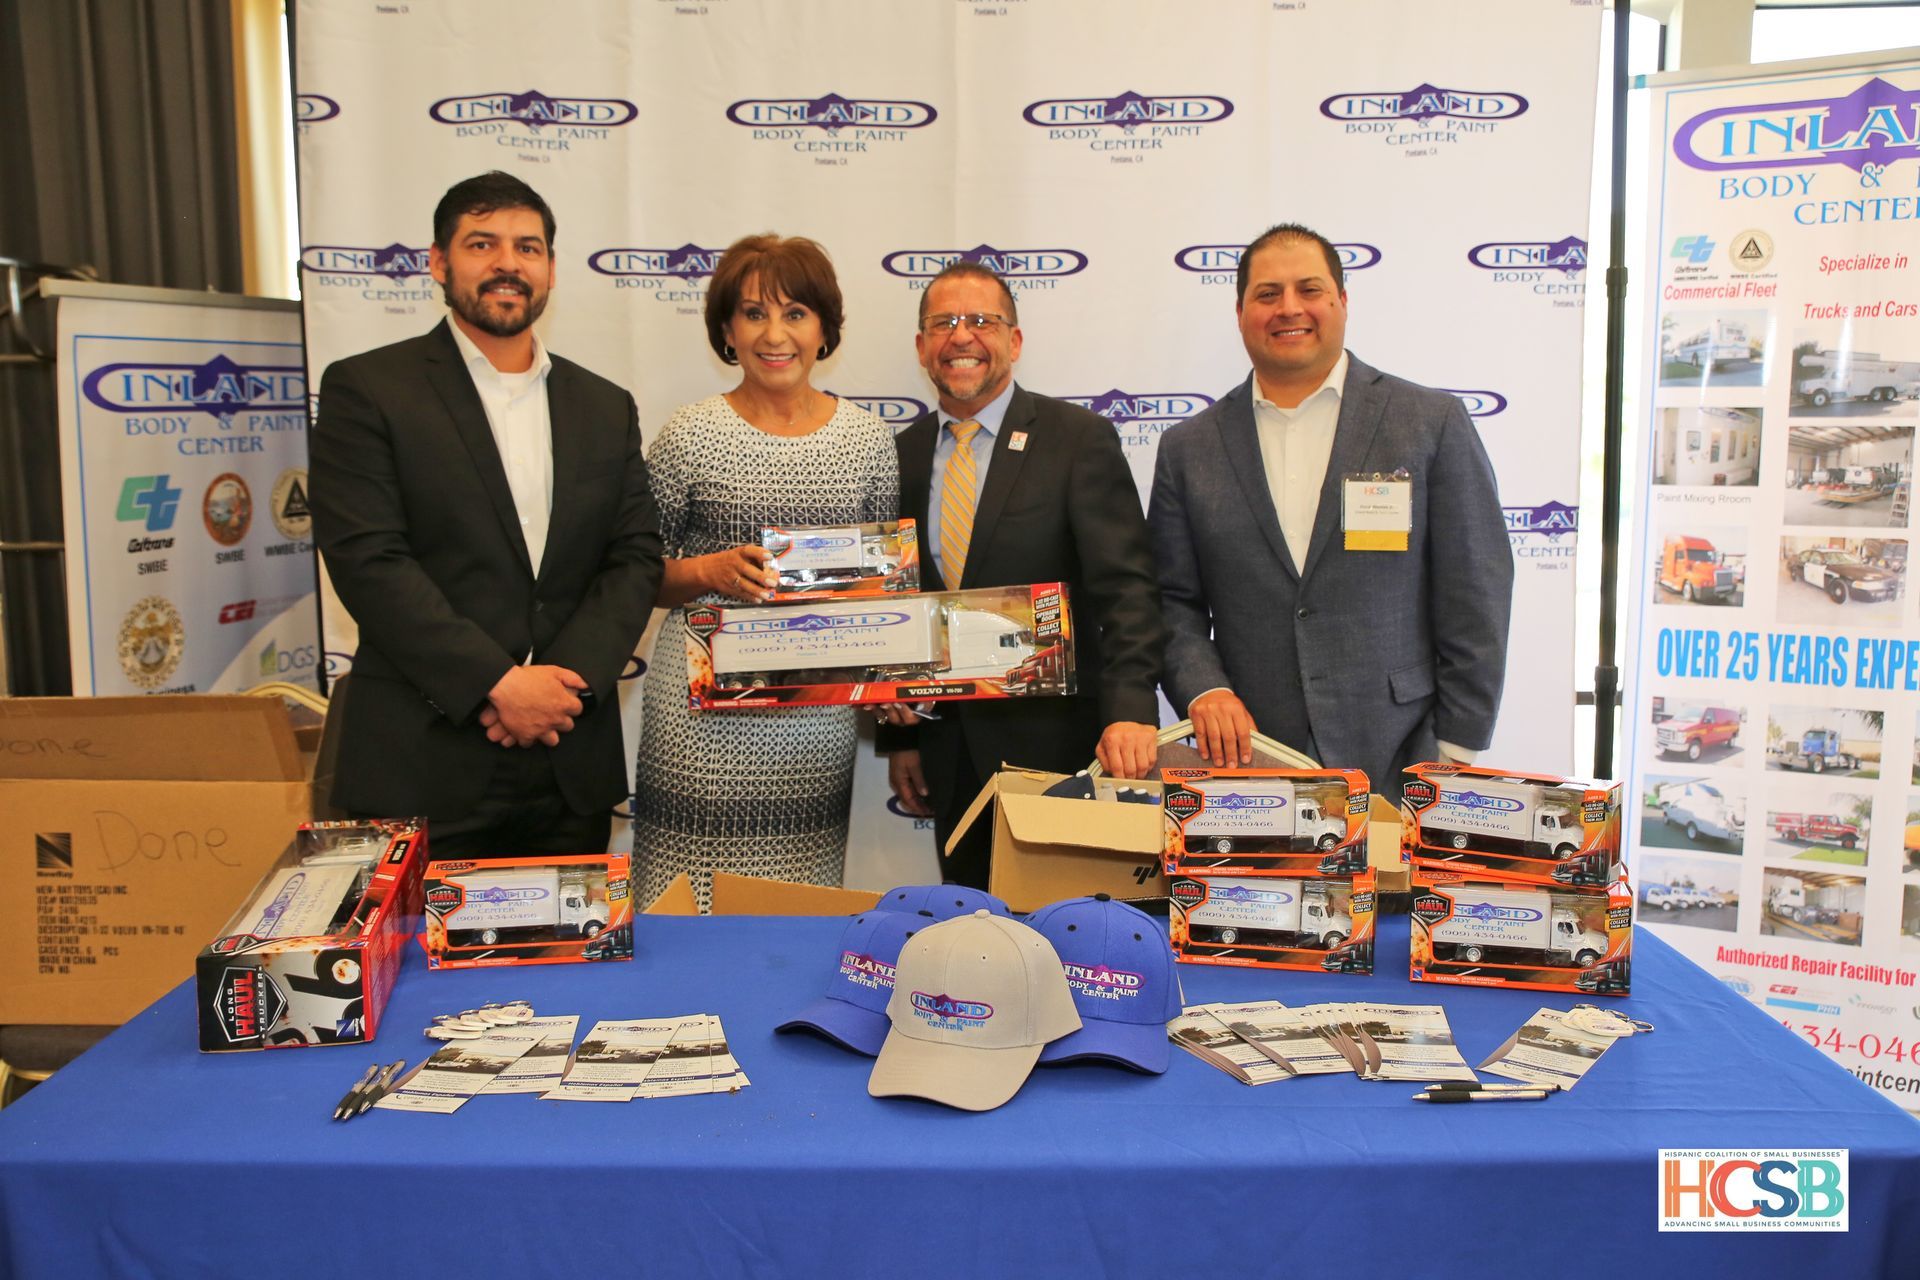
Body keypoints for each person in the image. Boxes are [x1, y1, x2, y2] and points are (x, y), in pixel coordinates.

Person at [311, 171, 662, 856]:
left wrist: (561, 689)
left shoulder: (603, 405)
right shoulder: (368, 389)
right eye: (482, 244)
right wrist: (497, 685)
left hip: (568, 762)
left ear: (551, 268)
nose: (508, 263)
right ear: (439, 263)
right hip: (422, 762)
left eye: (528, 247)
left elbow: (634, 557)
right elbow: (369, 560)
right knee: (415, 936)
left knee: (572, 935)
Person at [1148, 222, 1513, 792]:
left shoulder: (1429, 422)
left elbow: (1476, 587)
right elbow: (1172, 601)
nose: (1289, 308)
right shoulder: (1188, 448)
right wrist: (1205, 689)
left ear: (1342, 300)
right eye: (1268, 294)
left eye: (1309, 289)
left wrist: (1456, 746)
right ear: (1240, 312)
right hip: (1251, 758)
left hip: (1404, 754)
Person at [631, 234, 897, 909]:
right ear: (727, 330)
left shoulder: (868, 440)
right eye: (753, 314)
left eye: (795, 313)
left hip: (814, 721)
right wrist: (709, 570)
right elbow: (635, 576)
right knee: (683, 908)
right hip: (699, 718)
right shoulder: (689, 434)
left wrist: (897, 676)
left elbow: (884, 589)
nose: (774, 335)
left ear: (824, 329)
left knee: (798, 908)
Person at [880, 263, 1165, 889]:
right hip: (948, 755)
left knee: (1067, 928)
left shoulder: (1077, 440)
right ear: (922, 346)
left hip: (1061, 752)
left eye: (982, 321)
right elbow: (893, 604)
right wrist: (900, 739)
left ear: (1014, 340)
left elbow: (1127, 590)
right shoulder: (898, 456)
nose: (962, 336)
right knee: (966, 927)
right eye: (943, 323)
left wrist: (1130, 711)